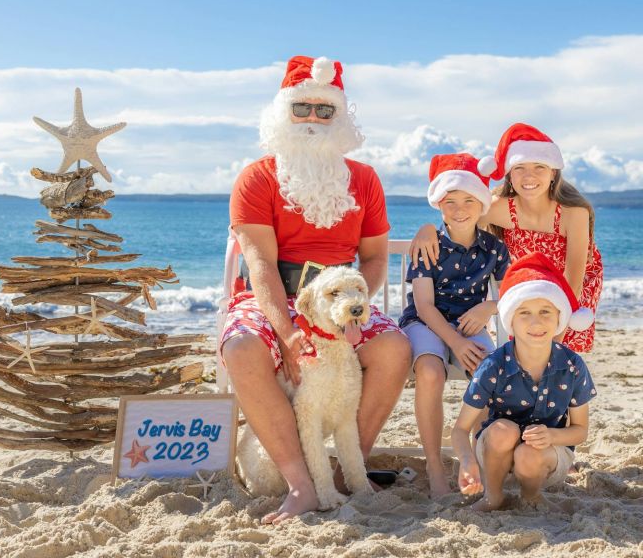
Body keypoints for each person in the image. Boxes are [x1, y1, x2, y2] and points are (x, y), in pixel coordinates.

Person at [220, 55, 411, 524]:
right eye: (301, 108)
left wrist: (348, 308)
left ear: (340, 117)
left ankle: (351, 470)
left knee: (394, 347)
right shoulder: (256, 178)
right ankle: (302, 485)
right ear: (283, 113)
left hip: (341, 295)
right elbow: (260, 263)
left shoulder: (364, 180)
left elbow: (373, 259)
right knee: (242, 347)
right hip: (275, 297)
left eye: (324, 111)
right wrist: (287, 332)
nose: (311, 119)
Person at [410, 123, 603, 352]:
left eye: (539, 167)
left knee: (557, 357)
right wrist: (429, 228)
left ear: (553, 173)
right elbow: (460, 223)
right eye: (519, 167)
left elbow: (573, 283)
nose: (529, 176)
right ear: (509, 174)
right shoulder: (497, 208)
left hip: (572, 289)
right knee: (523, 352)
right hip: (527, 288)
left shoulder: (573, 213)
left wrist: (554, 342)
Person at [399, 153, 510, 498]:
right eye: (450, 202)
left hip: (469, 322)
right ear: (439, 206)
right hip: (425, 322)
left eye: (468, 200)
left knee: (489, 371)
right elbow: (424, 305)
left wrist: (490, 306)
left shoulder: (494, 247)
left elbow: (512, 292)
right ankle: (434, 465)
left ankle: (478, 458)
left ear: (481, 204)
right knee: (430, 372)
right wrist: (456, 345)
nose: (460, 209)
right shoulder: (428, 245)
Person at [451, 252, 595, 511]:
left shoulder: (572, 366)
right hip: (496, 449)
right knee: (503, 430)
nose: (536, 322)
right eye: (524, 313)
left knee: (528, 453)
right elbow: (461, 429)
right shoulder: (494, 365)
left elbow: (581, 430)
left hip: (547, 454)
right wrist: (466, 460)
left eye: (545, 311)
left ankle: (531, 496)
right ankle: (493, 496)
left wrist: (551, 435)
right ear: (511, 322)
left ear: (559, 317)